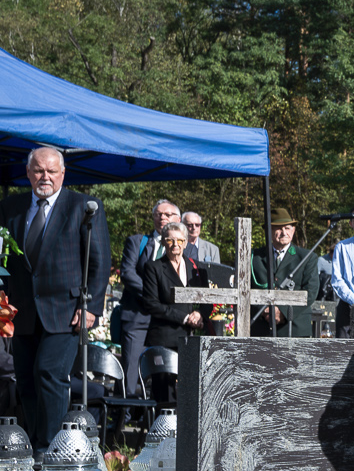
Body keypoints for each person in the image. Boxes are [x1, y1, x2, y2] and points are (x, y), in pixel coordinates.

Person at [2, 147, 110, 450]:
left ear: (63, 173)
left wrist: (91, 307)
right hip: (21, 310)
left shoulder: (84, 207)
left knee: (49, 372)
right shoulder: (10, 208)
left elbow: (99, 261)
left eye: (51, 171)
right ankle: (34, 445)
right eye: (39, 170)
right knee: (25, 378)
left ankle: (51, 448)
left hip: (66, 311)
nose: (45, 177)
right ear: (28, 173)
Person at [117, 199, 191, 394]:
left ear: (178, 219)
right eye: (158, 214)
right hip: (138, 316)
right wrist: (153, 295)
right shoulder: (137, 242)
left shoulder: (186, 247)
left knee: (165, 375)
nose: (162, 217)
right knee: (130, 371)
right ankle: (125, 409)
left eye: (168, 214)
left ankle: (161, 410)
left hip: (168, 323)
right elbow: (127, 273)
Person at [135, 220, 204, 400]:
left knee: (190, 393)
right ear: (163, 242)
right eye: (170, 240)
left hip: (190, 340)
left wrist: (199, 314)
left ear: (186, 243)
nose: (175, 244)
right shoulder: (153, 268)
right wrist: (184, 318)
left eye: (180, 240)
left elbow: (206, 299)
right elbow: (151, 304)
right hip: (164, 338)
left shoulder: (196, 268)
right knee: (164, 395)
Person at [251, 212, 317, 337]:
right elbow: (247, 288)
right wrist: (264, 310)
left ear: (293, 231)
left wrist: (282, 312)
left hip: (295, 329)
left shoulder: (307, 257)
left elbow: (311, 291)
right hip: (261, 328)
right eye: (279, 229)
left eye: (287, 228)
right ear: (269, 231)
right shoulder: (254, 257)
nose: (284, 232)